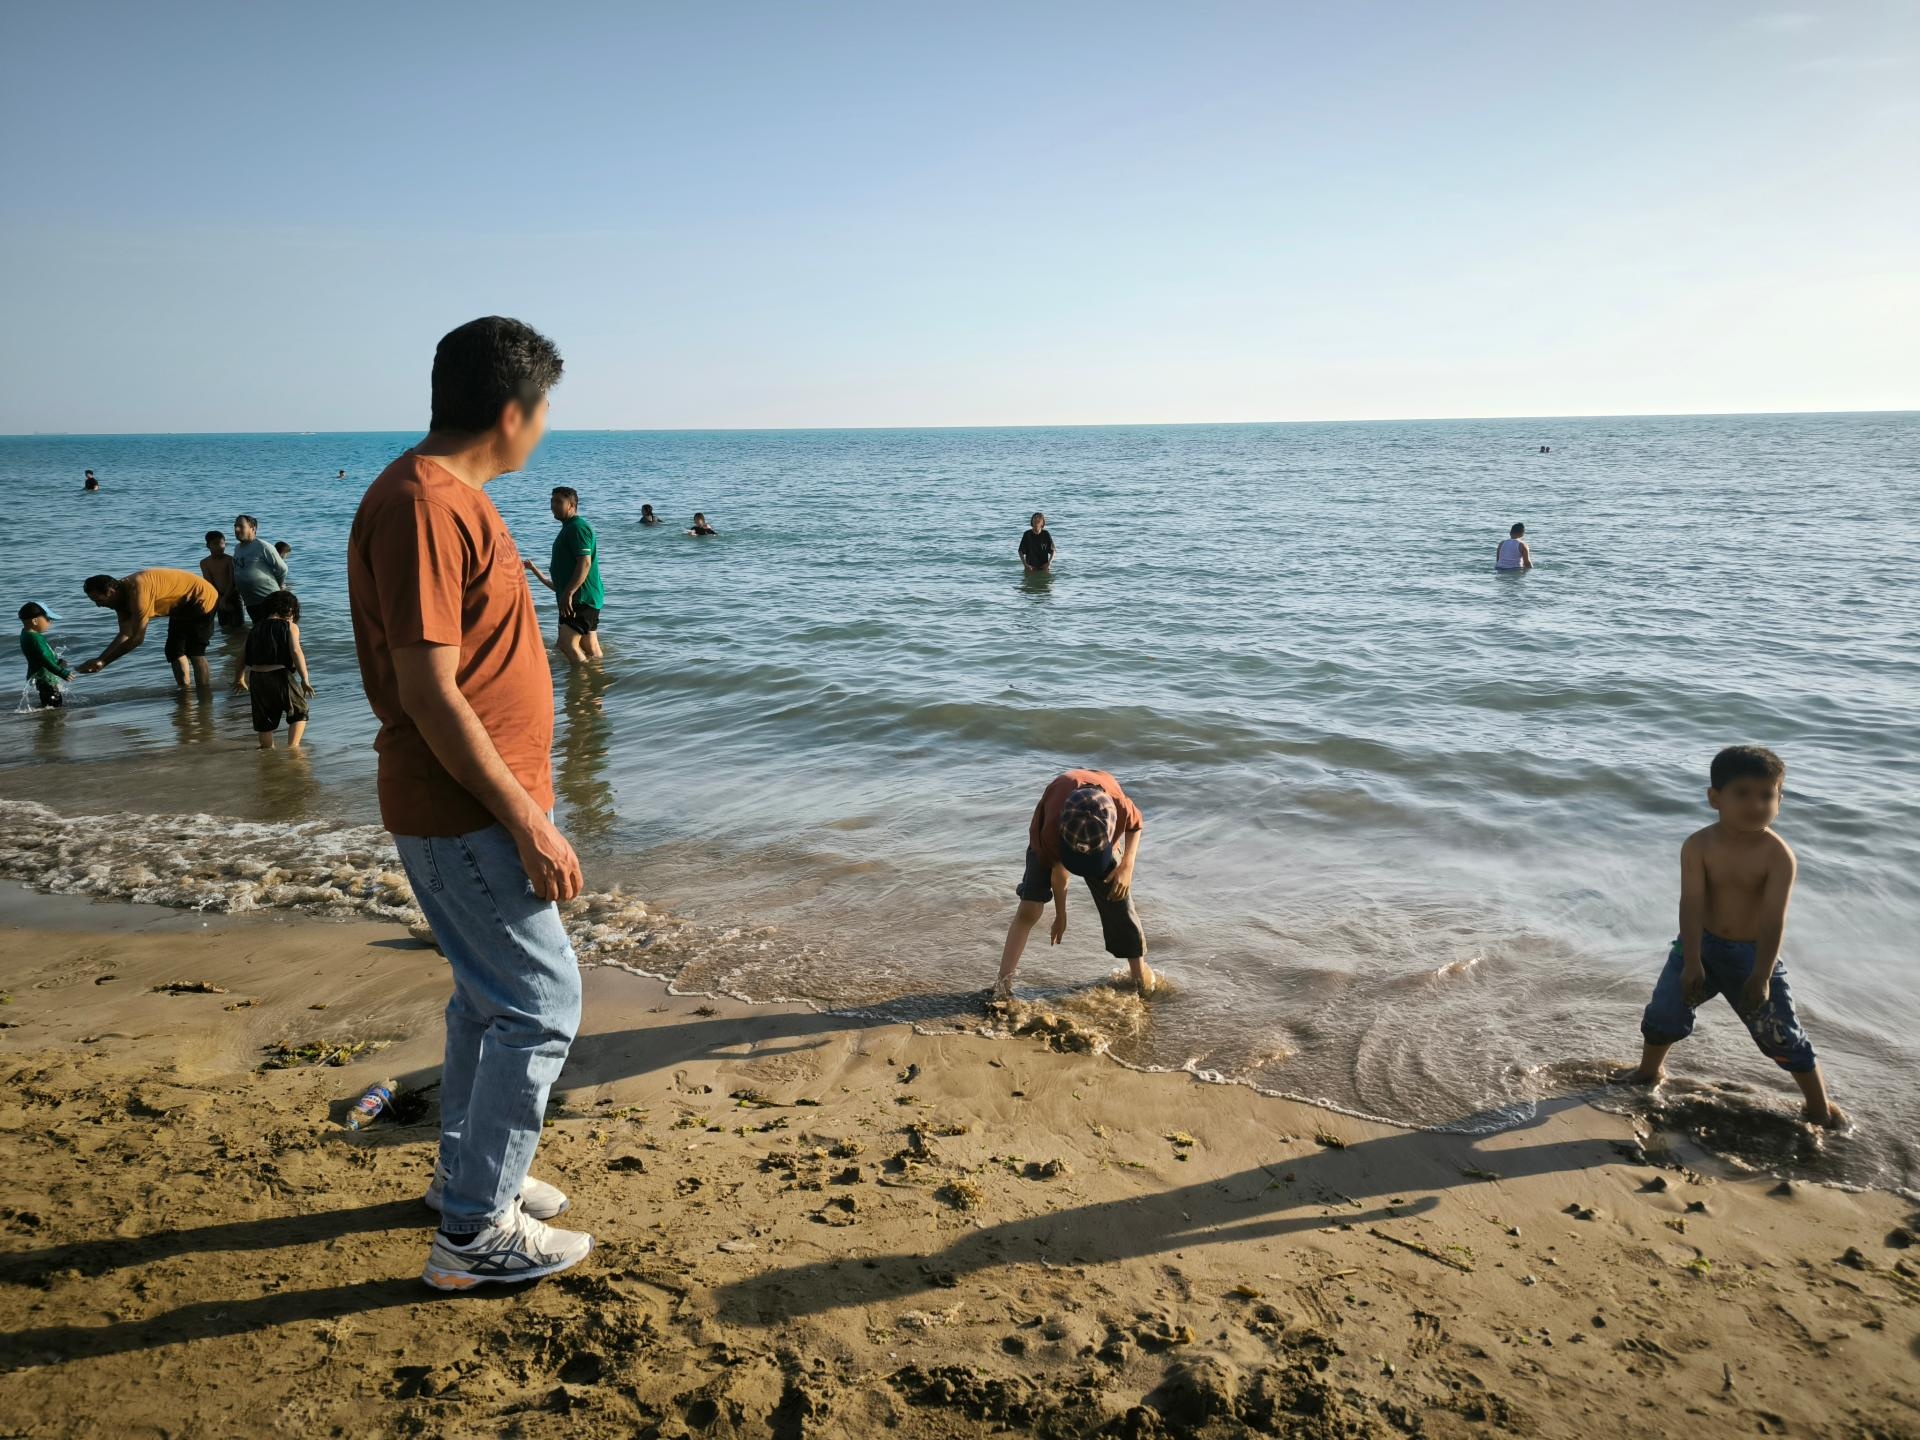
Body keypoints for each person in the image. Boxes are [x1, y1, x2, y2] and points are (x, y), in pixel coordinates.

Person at [346, 315, 591, 1289]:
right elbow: (429, 690)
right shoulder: (423, 503)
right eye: (543, 412)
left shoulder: (446, 497)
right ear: (512, 411)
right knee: (541, 1007)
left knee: (487, 1004)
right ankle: (475, 1236)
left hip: (466, 807)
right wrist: (528, 820)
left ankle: (470, 1182)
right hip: (464, 811)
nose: (543, 430)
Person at [1615, 746, 1845, 1128]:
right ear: (1715, 798)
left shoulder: (1777, 856)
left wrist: (1761, 975)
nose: (1756, 804)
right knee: (1664, 1013)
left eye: (1767, 795)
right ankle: (1649, 1071)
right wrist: (1690, 961)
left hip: (1753, 957)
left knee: (1781, 1034)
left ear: (1780, 799)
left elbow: (1774, 920)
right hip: (1698, 946)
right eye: (1743, 793)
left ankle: (1818, 1107)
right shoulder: (1699, 845)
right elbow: (1691, 904)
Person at [995, 769, 1155, 1001]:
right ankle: (1002, 985)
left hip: (1096, 834)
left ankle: (1138, 976)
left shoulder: (1119, 806)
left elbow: (1136, 825)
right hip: (1053, 830)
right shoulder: (1050, 833)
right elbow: (1060, 874)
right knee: (1030, 908)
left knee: (1119, 896)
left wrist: (1127, 866)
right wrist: (1061, 915)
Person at [77, 568, 220, 690]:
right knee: (174, 651)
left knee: (195, 652)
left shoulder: (137, 592)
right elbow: (125, 633)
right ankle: (185, 690)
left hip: (201, 598)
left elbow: (137, 639)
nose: (98, 606)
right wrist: (100, 659)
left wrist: (104, 663)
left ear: (110, 592)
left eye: (99, 600)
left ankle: (204, 692)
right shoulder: (119, 601)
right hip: (180, 607)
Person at [522, 486, 604, 664]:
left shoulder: (577, 528)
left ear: (572, 505)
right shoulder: (569, 528)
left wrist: (568, 593)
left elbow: (585, 562)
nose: (553, 505)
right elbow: (559, 584)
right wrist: (534, 570)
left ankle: (583, 683)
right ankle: (597, 683)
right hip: (583, 597)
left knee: (566, 644)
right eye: (552, 501)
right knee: (590, 646)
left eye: (559, 502)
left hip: (580, 599)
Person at [244, 590, 312, 749]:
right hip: (279, 675)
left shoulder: (255, 628)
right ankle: (293, 747)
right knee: (299, 712)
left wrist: (239, 677)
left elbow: (242, 656)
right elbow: (296, 651)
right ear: (290, 610)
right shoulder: (290, 626)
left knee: (264, 720)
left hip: (256, 677)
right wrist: (305, 678)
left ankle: (267, 749)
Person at [230, 515, 288, 623]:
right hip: (250, 602)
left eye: (241, 526)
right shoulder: (237, 548)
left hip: (268, 600)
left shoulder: (263, 546)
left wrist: (278, 586)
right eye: (235, 526)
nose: (237, 529)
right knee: (260, 633)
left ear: (253, 529)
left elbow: (283, 569)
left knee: (273, 633)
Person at [18, 602, 72, 708]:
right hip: (46, 677)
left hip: (39, 675)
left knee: (47, 700)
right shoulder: (36, 639)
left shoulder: (25, 633)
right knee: (55, 703)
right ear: (34, 621)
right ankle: (52, 721)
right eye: (47, 619)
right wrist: (61, 672)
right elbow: (44, 658)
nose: (50, 622)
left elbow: (39, 656)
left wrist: (57, 663)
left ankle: (46, 717)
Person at [200, 531, 243, 627]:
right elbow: (209, 583)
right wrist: (220, 600)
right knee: (224, 625)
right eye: (215, 544)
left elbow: (232, 581)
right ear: (208, 546)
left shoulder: (229, 560)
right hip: (217, 596)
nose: (220, 546)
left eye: (222, 543)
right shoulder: (204, 563)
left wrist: (224, 599)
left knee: (239, 625)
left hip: (233, 595)